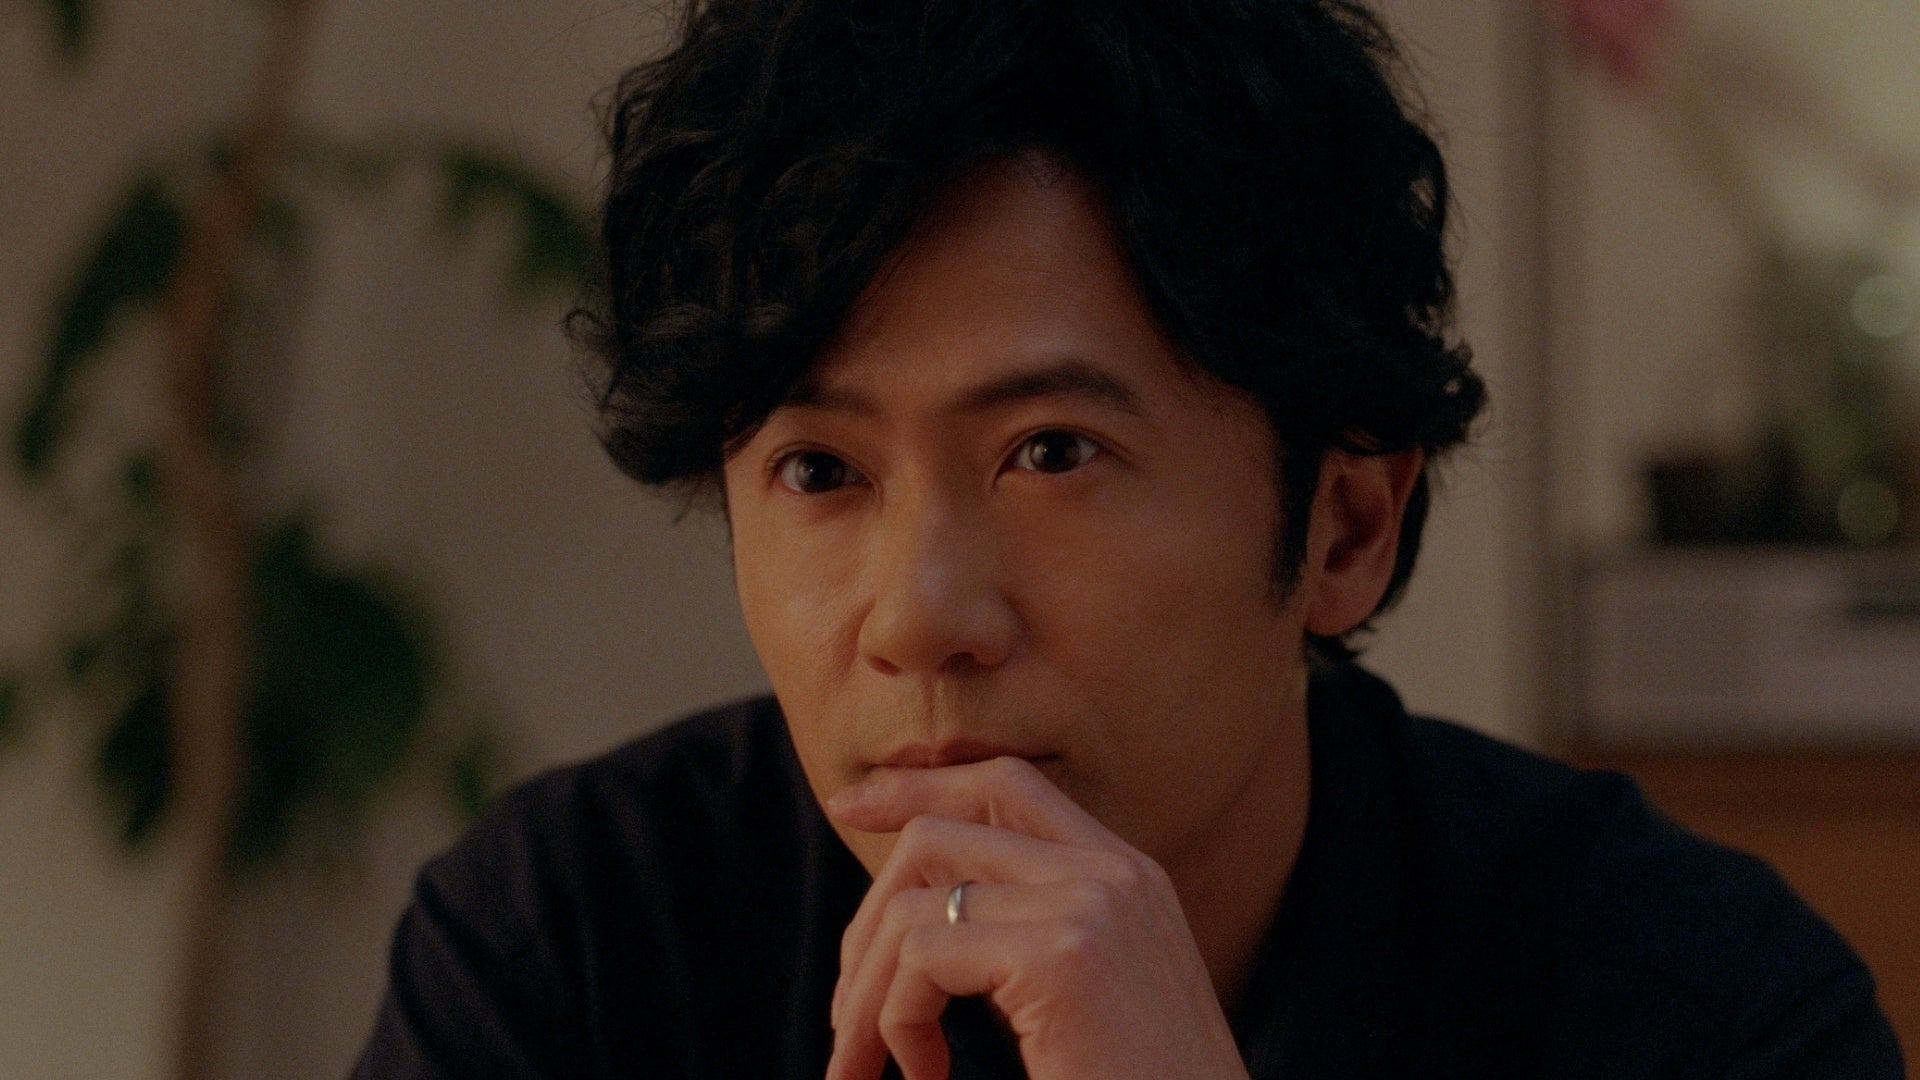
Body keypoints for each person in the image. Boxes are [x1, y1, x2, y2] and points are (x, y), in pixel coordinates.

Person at [353, 1, 1905, 1077]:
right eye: (819, 470)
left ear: (1346, 526)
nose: (921, 616)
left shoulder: (1697, 1011)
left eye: (1052, 452)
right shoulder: (573, 949)